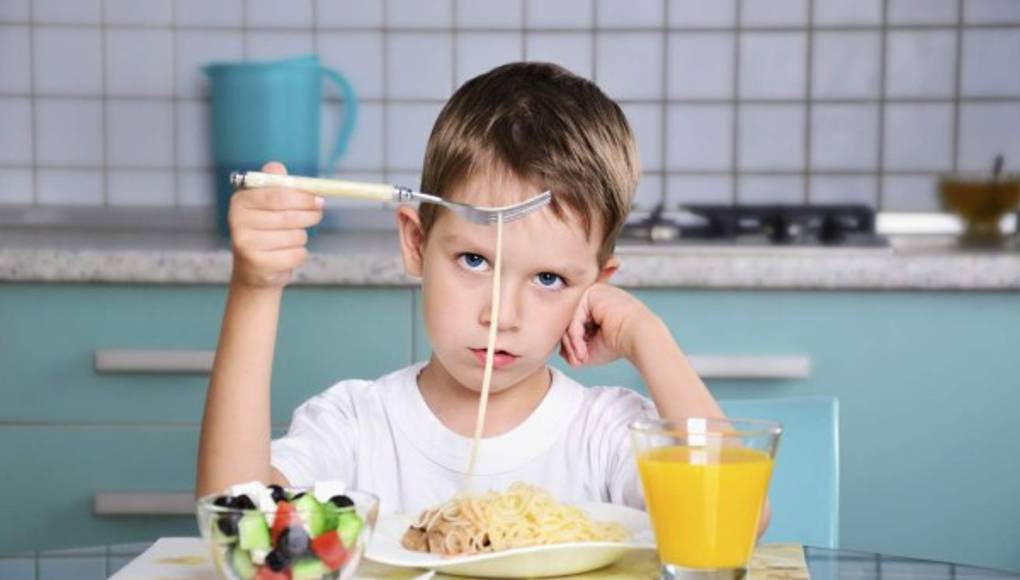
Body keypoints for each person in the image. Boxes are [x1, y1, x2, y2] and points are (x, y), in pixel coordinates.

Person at [196, 61, 769, 533]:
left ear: (595, 287)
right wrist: (256, 288)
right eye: (475, 260)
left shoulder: (606, 435)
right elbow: (236, 519)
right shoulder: (355, 425)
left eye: (549, 280)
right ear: (417, 242)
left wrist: (648, 336)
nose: (502, 315)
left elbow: (733, 523)